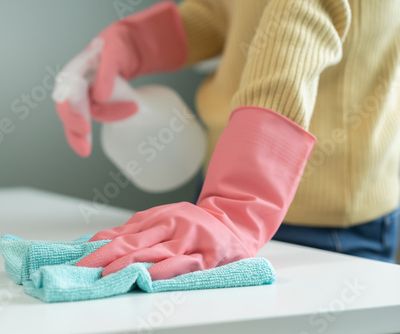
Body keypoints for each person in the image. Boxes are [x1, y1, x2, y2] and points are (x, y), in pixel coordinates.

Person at [55, 0, 400, 281]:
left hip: (325, 223)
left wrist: (240, 198)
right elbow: (226, 14)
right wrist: (134, 43)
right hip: (220, 202)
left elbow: (300, 22)